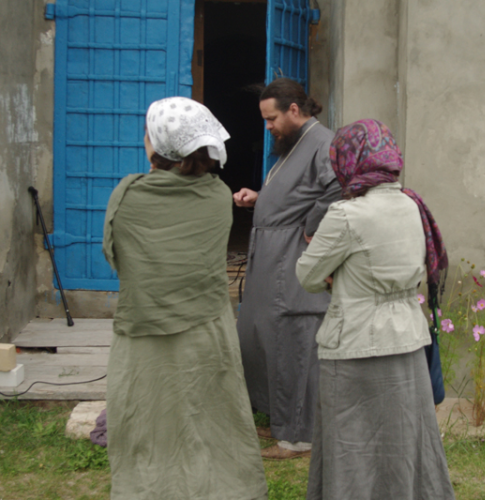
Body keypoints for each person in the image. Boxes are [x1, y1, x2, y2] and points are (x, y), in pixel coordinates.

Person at [102, 97, 268, 500]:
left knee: (149, 419)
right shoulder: (216, 196)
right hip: (206, 332)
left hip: (145, 334)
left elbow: (115, 254)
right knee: (210, 418)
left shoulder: (127, 195)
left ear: (156, 146)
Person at [296, 119, 456, 500]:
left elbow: (307, 274)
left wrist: (335, 274)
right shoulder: (413, 206)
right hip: (407, 341)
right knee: (403, 446)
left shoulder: (346, 215)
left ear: (347, 160)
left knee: (352, 447)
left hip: (354, 345)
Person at [233, 78, 341, 459]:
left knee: (293, 344)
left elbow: (337, 189)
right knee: (264, 337)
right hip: (273, 255)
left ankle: (298, 437)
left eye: (271, 118)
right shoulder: (297, 143)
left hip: (291, 260)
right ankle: (278, 420)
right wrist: (260, 200)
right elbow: (299, 193)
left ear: (294, 110)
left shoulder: (323, 142)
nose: (268, 127)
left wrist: (310, 228)